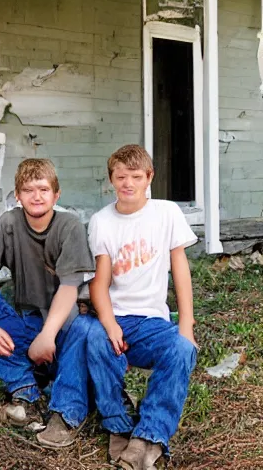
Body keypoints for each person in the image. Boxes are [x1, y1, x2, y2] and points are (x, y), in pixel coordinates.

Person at [82, 144, 198, 469]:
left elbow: (180, 270)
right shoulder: (102, 221)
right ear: (111, 180)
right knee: (94, 340)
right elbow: (99, 282)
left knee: (181, 348)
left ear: (149, 177)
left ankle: (148, 437)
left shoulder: (166, 213)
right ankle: (119, 424)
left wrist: (186, 325)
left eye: (135, 176)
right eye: (121, 177)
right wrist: (109, 324)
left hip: (152, 322)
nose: (128, 183)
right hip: (115, 317)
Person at [0, 158, 95, 430]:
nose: (36, 196)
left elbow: (69, 287)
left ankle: (58, 384)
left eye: (44, 189)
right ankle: (26, 393)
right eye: (28, 190)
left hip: (65, 322)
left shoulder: (69, 226)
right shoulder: (9, 223)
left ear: (56, 194)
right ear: (17, 195)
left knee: (82, 342)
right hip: (29, 316)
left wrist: (47, 336)